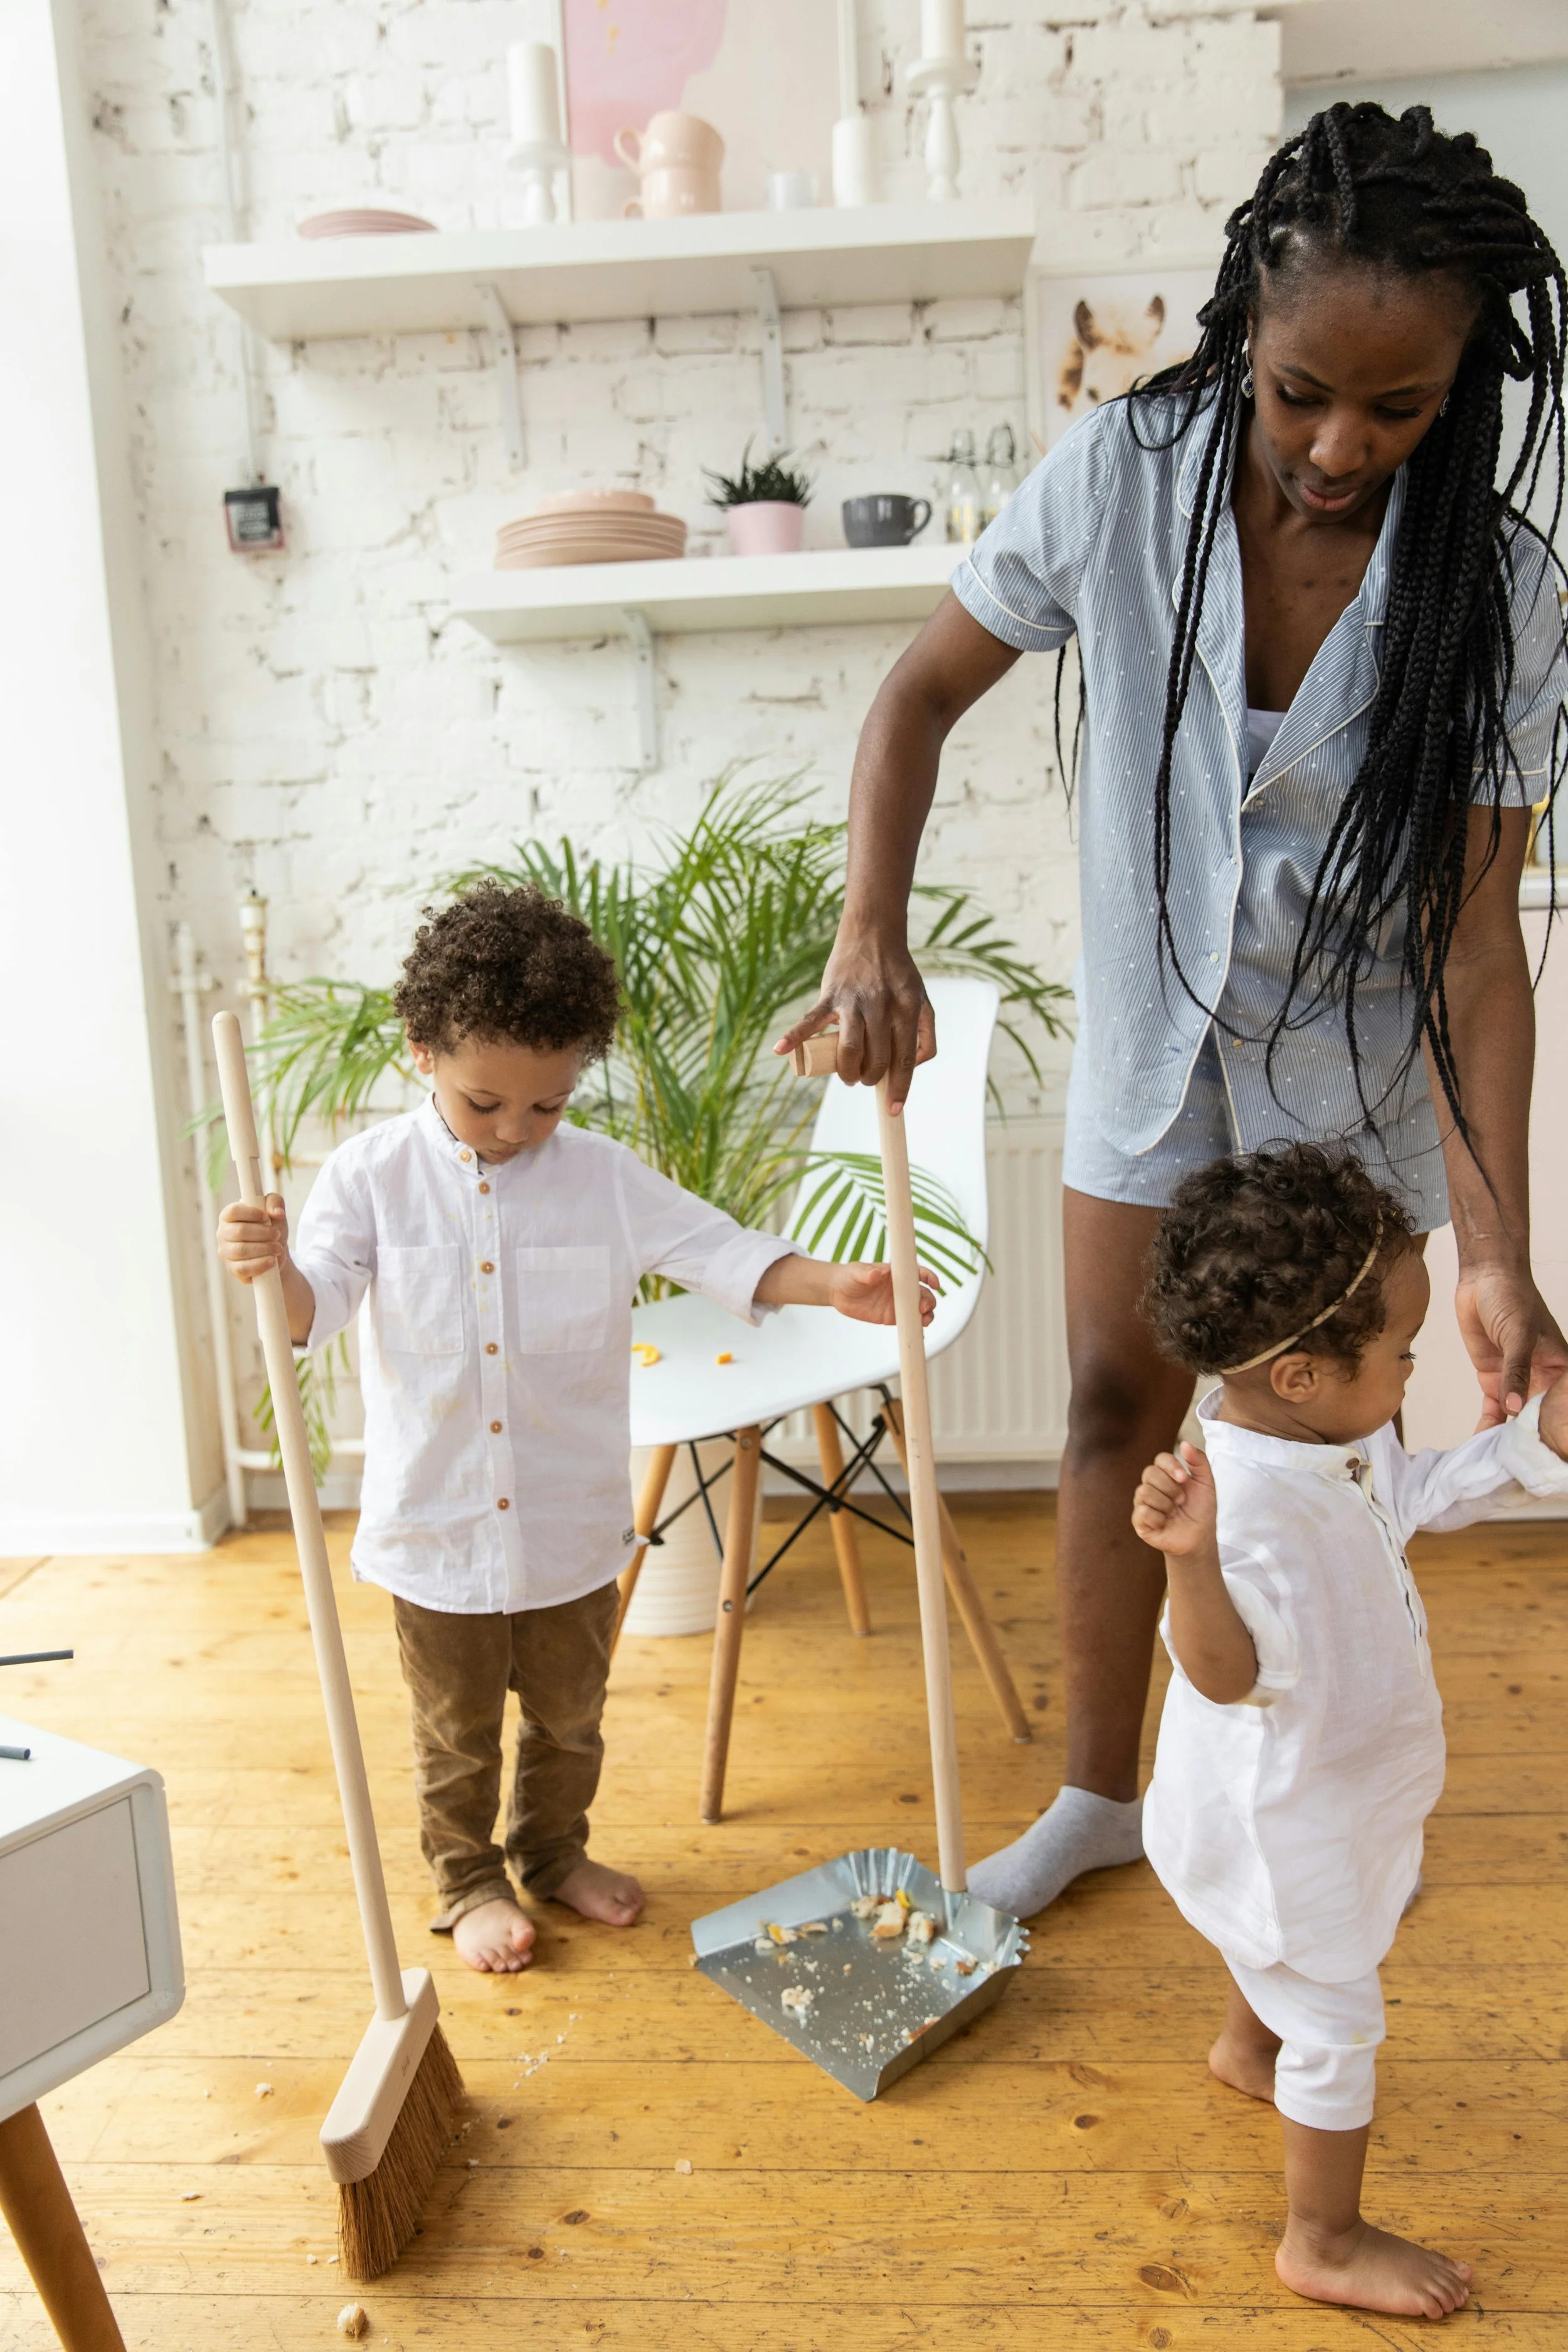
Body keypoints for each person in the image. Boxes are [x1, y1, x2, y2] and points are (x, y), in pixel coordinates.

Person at [778, 102, 1568, 1918]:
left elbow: (1472, 945)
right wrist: (868, 934)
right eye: (1300, 391)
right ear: (1244, 329)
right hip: (1154, 1053)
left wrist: (1497, 1248)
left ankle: (1294, 1811)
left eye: (1399, 407)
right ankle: (1093, 1796)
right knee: (1106, 1409)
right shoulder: (1119, 476)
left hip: (1355, 1090)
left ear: (1466, 382)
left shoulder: (1504, 597)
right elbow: (911, 696)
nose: (1337, 445)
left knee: (1315, 1467)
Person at [218, 881, 935, 1974]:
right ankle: (466, 1881)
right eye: (484, 1103)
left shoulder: (599, 1178)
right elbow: (316, 1308)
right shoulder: (368, 1179)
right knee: (455, 1735)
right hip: (438, 1534)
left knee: (569, 1719)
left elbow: (725, 1251)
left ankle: (552, 1853)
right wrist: (271, 1273)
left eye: (544, 1106)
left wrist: (834, 1282)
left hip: (568, 1528)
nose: (516, 1130)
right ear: (422, 1053)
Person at [1131, 1142, 1568, 2318]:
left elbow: (1409, 1496)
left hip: (1318, 1786)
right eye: (1402, 1354)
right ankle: (1322, 2236)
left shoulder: (1327, 1435)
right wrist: (1192, 1568)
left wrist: (1537, 1447)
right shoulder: (1247, 1510)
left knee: (1288, 1945)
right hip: (1288, 1812)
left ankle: (1246, 2047)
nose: (1415, 1369)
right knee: (1338, 2000)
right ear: (1302, 1374)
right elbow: (1221, 1676)